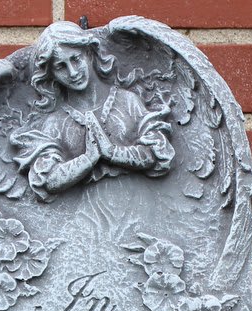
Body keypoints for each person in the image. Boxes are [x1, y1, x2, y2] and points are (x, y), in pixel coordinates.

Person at [11, 21, 175, 203]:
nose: (72, 73)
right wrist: (88, 159)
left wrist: (113, 153)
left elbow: (157, 152)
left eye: (75, 59)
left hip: (140, 206)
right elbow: (48, 179)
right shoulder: (55, 123)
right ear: (51, 75)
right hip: (87, 218)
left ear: (89, 53)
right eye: (60, 67)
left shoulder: (127, 101)